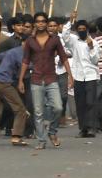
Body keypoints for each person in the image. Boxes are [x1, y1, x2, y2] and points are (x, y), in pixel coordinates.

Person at [18, 12, 73, 150]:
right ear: (35, 24)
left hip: (51, 78)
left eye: (43, 21)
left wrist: (70, 76)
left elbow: (64, 57)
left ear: (46, 23)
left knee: (58, 107)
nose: (40, 24)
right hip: (36, 79)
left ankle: (52, 131)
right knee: (38, 112)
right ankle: (41, 140)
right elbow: (25, 61)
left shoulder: (54, 39)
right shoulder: (30, 41)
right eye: (38, 21)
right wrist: (20, 80)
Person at [61, 15, 101, 138]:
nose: (82, 30)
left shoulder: (95, 43)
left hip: (91, 76)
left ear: (87, 30)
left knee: (91, 102)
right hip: (78, 76)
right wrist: (70, 21)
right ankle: (83, 129)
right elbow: (65, 36)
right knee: (80, 104)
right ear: (77, 30)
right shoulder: (74, 41)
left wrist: (91, 48)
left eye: (84, 28)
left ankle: (91, 128)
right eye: (79, 28)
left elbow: (96, 60)